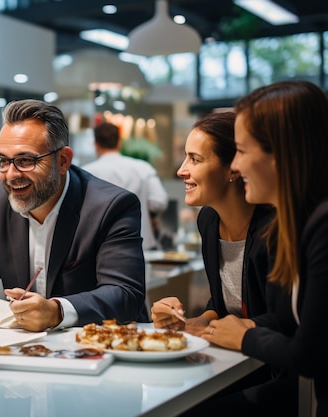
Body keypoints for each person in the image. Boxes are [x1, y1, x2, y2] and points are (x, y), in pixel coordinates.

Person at [0, 98, 149, 332]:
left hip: (104, 348)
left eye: (25, 160)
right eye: (3, 161)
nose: (10, 175)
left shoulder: (110, 206)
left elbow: (125, 294)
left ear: (63, 161)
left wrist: (57, 311)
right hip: (29, 350)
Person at [150, 111, 295, 416]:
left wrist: (217, 328)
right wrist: (198, 319)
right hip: (235, 360)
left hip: (277, 371)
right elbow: (225, 301)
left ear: (233, 168)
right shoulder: (208, 220)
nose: (181, 170)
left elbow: (285, 320)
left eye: (195, 159)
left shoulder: (276, 227)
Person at [201, 81, 328, 416]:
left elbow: (309, 354)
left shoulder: (321, 226)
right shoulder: (301, 224)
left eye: (242, 151)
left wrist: (244, 335)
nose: (237, 166)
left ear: (282, 153)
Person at [82, 122, 168, 250]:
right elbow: (159, 201)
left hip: (100, 248)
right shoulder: (143, 168)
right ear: (119, 142)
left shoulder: (85, 173)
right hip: (140, 243)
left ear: (96, 145)